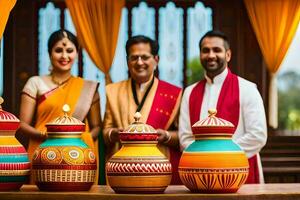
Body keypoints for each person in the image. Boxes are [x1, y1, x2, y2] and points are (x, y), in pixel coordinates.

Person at [178, 30, 267, 184]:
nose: (211, 55)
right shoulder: (189, 92)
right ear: (200, 55)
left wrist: (220, 157)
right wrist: (208, 159)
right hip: (200, 174)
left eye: (217, 50)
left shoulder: (247, 89)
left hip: (241, 172)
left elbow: (257, 136)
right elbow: (185, 138)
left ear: (228, 55)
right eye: (205, 50)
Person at [18, 29, 101, 184]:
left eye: (69, 51)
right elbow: (22, 124)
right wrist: (49, 137)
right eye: (58, 50)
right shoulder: (35, 83)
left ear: (76, 53)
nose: (64, 56)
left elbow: (97, 126)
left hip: (79, 155)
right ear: (50, 53)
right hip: (43, 151)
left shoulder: (88, 88)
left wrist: (80, 140)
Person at [103, 35, 182, 184]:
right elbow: (105, 130)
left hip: (159, 168)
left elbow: (183, 135)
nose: (139, 62)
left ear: (156, 60)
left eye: (145, 57)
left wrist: (165, 135)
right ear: (127, 61)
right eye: (134, 58)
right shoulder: (112, 91)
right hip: (121, 168)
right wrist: (114, 134)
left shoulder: (174, 93)